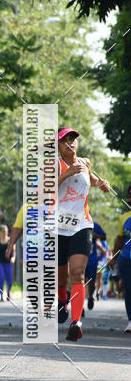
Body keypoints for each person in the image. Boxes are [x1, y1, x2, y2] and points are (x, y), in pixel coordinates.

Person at [56, 126, 109, 341]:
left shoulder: (85, 162)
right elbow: (41, 188)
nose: (70, 143)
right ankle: (62, 300)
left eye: (73, 139)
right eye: (65, 140)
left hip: (81, 225)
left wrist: (101, 183)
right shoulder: (53, 165)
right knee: (61, 276)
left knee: (77, 272)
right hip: (57, 227)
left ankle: (76, 322)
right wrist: (66, 174)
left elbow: (92, 179)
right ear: (58, 145)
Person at [108, 184, 131, 333]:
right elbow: (119, 240)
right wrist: (113, 258)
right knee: (129, 290)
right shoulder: (124, 218)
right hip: (126, 259)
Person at [85, 224, 106, 310]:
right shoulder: (74, 222)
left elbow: (104, 237)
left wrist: (95, 235)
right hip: (79, 256)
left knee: (91, 281)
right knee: (79, 281)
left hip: (92, 259)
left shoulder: (95, 225)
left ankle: (90, 296)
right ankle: (79, 307)